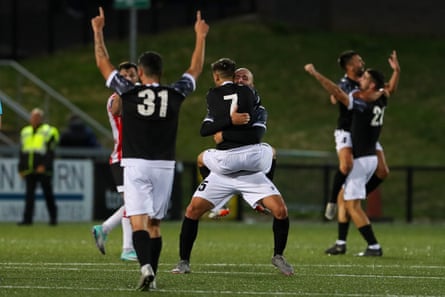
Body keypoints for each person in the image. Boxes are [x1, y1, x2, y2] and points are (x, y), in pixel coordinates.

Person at [91, 7, 209, 291]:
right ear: (162, 72)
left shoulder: (128, 92)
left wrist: (98, 31)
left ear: (140, 72)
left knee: (138, 222)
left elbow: (103, 63)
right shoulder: (175, 92)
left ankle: (144, 267)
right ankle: (152, 276)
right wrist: (200, 37)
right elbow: (195, 69)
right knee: (155, 225)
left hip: (134, 164)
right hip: (164, 167)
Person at [171, 58, 294, 276]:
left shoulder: (258, 107)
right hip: (224, 171)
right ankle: (183, 262)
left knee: (281, 211)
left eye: (245, 77)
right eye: (238, 77)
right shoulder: (223, 101)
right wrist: (230, 121)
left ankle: (278, 256)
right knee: (192, 210)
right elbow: (208, 128)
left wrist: (224, 133)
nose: (241, 80)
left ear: (252, 84)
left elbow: (255, 134)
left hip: (250, 172)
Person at [305, 63, 388, 256]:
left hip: (360, 160)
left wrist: (316, 74)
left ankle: (374, 246)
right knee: (344, 198)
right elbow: (386, 89)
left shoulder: (362, 103)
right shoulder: (382, 99)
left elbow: (337, 92)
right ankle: (341, 243)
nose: (361, 80)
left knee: (352, 206)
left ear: (373, 85)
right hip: (369, 157)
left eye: (366, 78)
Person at [324, 50, 400, 256]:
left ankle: (371, 245)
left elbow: (383, 90)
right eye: (358, 61)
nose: (362, 64)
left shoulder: (365, 95)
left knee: (374, 178)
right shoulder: (361, 90)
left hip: (364, 141)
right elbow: (337, 97)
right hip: (355, 138)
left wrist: (315, 74)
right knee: (347, 179)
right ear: (349, 65)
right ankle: (340, 238)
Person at [92, 61, 140, 262]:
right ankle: (127, 248)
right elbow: (116, 110)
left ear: (139, 76)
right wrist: (122, 88)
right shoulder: (115, 98)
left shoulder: (143, 96)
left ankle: (104, 228)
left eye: (131, 74)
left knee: (134, 203)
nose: (128, 78)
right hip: (121, 158)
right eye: (124, 76)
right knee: (132, 203)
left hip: (138, 158)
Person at [17, 108, 59, 226]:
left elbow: (51, 151)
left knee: (48, 193)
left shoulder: (49, 131)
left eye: (37, 117)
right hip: (29, 168)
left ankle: (53, 218)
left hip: (43, 169)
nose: (34, 119)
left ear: (41, 119)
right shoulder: (25, 131)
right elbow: (22, 151)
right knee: (29, 195)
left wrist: (44, 166)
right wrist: (20, 168)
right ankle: (27, 219)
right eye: (33, 117)